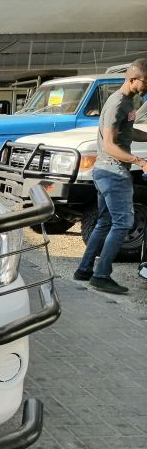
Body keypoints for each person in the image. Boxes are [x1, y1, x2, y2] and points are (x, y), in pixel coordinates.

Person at [74, 59, 147, 294]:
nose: (146, 87)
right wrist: (140, 161)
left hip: (106, 171)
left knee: (105, 222)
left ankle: (84, 270)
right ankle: (101, 275)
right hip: (112, 171)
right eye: (146, 82)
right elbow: (109, 145)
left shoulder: (129, 102)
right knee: (123, 223)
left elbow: (127, 131)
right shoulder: (117, 103)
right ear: (133, 78)